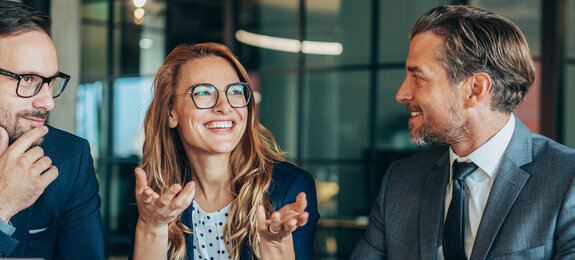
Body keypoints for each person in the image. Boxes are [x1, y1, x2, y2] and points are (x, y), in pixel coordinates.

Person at [351, 5, 575, 260]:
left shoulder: (568, 180)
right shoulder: (400, 181)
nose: (402, 94)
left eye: (418, 78)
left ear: (475, 89)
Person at [128, 42, 319, 260]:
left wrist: (275, 245)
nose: (224, 106)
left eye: (235, 91)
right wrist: (151, 227)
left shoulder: (289, 188)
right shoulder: (156, 198)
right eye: (203, 92)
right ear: (171, 112)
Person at [0, 1, 104, 259]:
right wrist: (4, 204)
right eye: (27, 79)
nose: (48, 102)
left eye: (50, 82)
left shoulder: (69, 159)